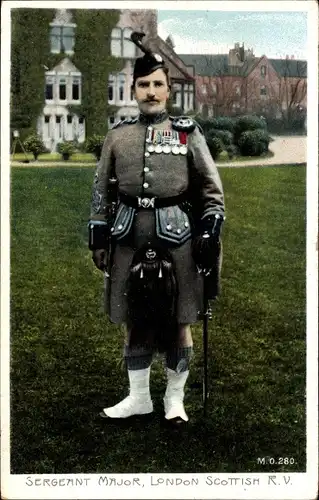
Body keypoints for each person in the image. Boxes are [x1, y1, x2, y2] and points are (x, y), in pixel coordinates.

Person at [88, 32, 225, 424]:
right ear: (133, 90)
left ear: (168, 90)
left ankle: (174, 401)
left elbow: (212, 191)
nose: (151, 92)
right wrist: (98, 236)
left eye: (158, 85)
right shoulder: (118, 136)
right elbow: (100, 191)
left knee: (180, 321)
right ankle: (139, 399)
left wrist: (207, 233)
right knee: (133, 320)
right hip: (127, 238)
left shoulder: (187, 133)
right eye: (144, 85)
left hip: (178, 240)